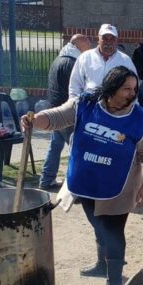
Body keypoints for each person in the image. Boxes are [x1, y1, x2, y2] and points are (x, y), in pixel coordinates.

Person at [22, 66, 143, 285]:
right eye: (127, 88)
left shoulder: (139, 120)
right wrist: (34, 120)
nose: (132, 93)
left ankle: (114, 283)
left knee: (113, 233)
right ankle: (99, 264)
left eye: (134, 89)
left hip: (120, 188)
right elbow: (56, 117)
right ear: (112, 87)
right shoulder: (85, 104)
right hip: (86, 182)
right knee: (98, 225)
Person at [39, 34, 91, 190]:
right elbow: (77, 89)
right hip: (66, 114)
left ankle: (46, 179)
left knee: (55, 146)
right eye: (87, 46)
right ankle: (76, 187)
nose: (88, 50)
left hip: (55, 109)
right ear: (80, 45)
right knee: (77, 150)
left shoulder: (59, 59)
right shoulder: (72, 63)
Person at [69, 23, 137, 98]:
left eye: (112, 39)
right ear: (98, 39)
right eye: (105, 38)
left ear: (117, 40)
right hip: (90, 106)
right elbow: (75, 85)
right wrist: (75, 105)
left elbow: (134, 87)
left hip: (116, 107)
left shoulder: (125, 60)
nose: (108, 42)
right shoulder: (85, 57)